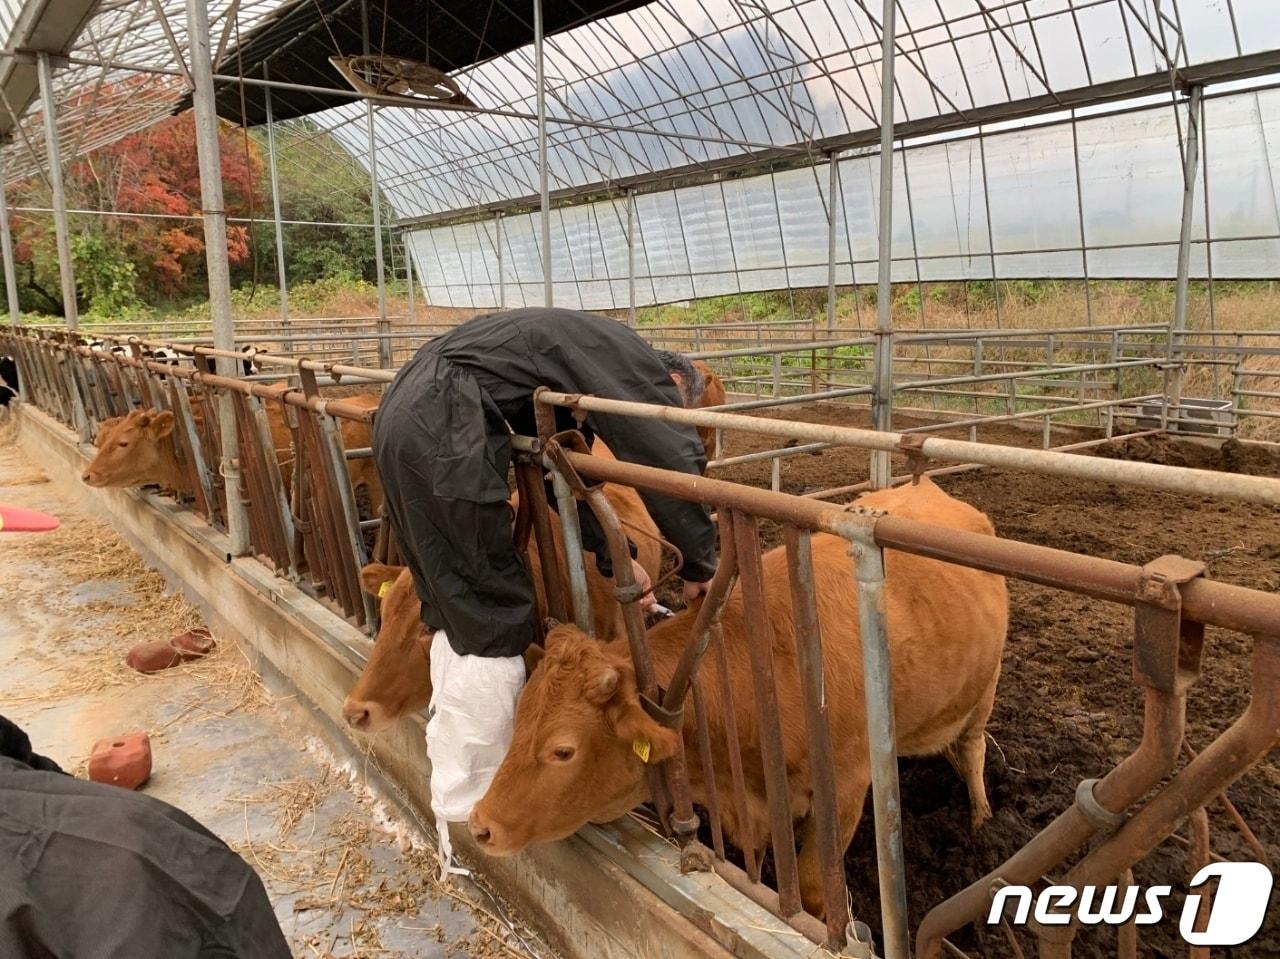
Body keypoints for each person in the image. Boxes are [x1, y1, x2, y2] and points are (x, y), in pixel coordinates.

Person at [373, 307, 718, 855]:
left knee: (452, 605)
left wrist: (615, 556)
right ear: (673, 382)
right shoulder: (631, 363)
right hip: (441, 427)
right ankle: (483, 794)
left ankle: (474, 777)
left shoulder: (576, 357)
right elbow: (662, 450)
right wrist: (701, 563)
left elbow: (567, 470)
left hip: (403, 416)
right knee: (493, 616)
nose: (669, 406)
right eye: (674, 401)